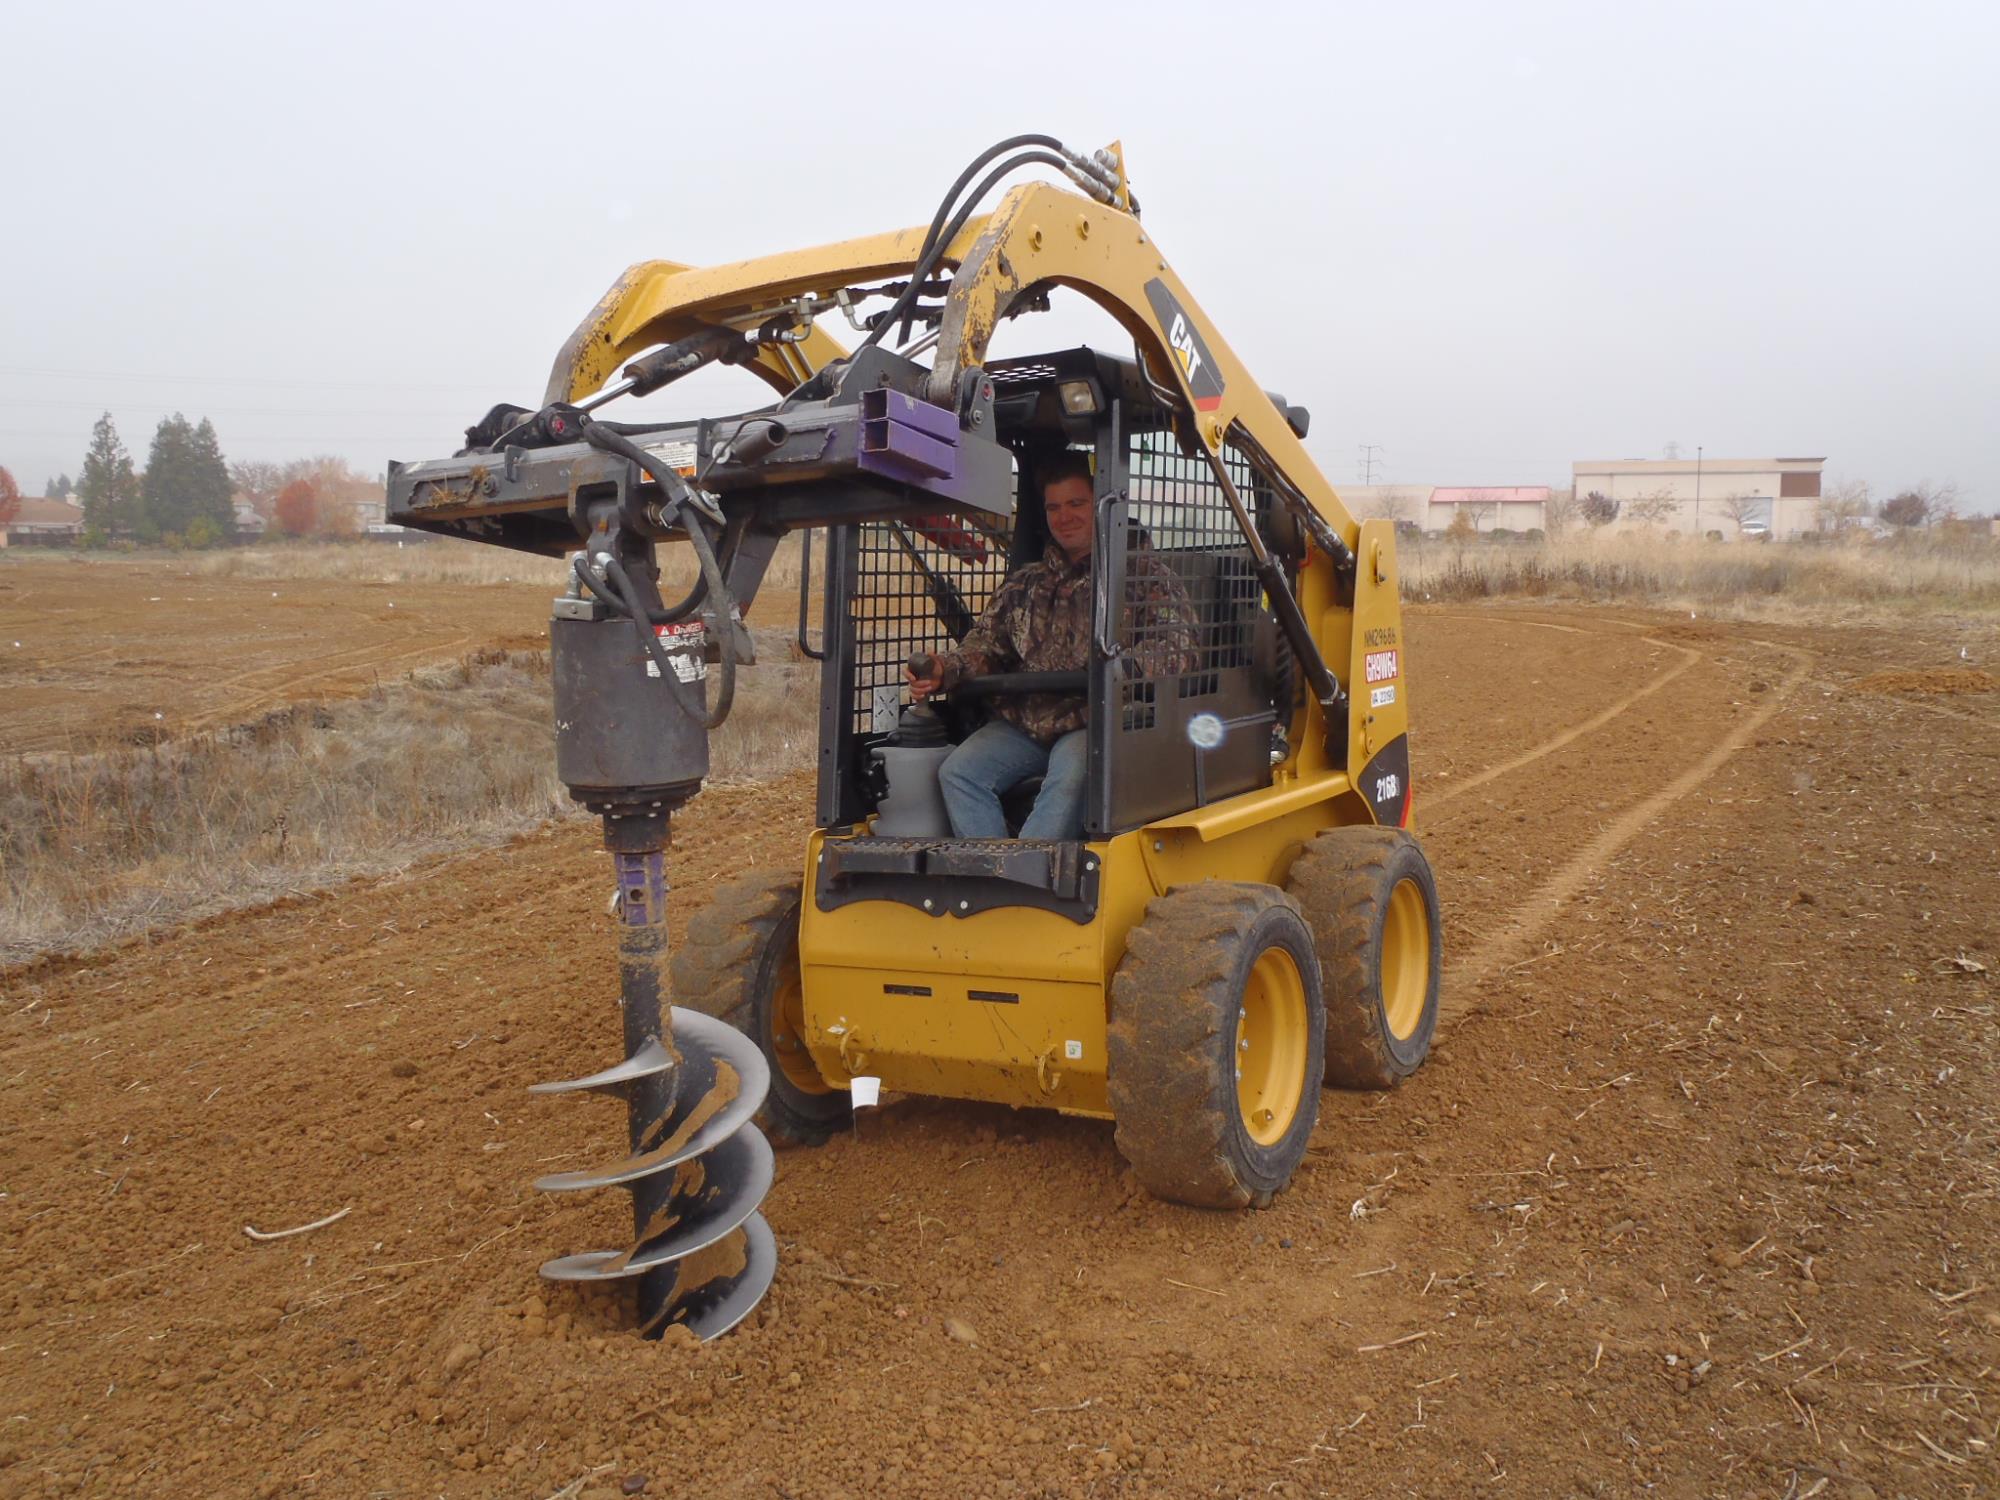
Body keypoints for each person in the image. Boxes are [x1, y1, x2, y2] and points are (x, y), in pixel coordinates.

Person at [905, 453, 1197, 839]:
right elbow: (987, 644)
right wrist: (946, 668)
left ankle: (1030, 882)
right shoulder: (1026, 584)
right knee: (959, 773)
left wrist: (1123, 670)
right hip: (1026, 722)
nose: (1065, 516)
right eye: (1054, 507)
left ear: (1103, 504)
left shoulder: (1144, 575)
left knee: (1073, 772)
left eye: (1076, 503)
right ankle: (997, 872)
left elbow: (1177, 643)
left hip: (1095, 719)